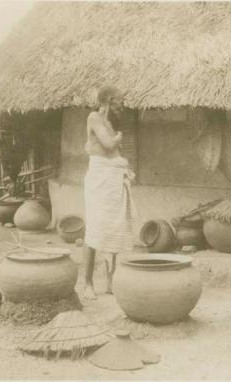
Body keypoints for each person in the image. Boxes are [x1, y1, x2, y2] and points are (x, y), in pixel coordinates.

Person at [82, 85, 136, 300]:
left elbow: (116, 152)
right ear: (109, 100)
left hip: (114, 179)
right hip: (99, 179)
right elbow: (107, 144)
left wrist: (125, 169)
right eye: (119, 101)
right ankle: (87, 283)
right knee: (96, 228)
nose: (122, 105)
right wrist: (118, 138)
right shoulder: (94, 117)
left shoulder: (111, 125)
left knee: (115, 229)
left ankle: (110, 280)